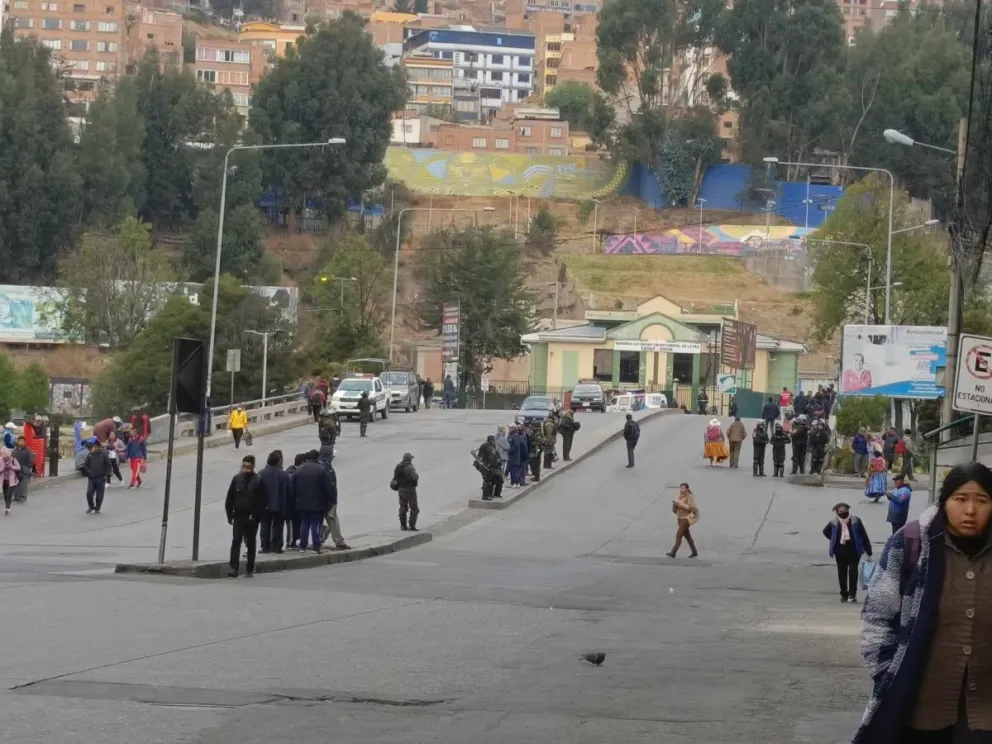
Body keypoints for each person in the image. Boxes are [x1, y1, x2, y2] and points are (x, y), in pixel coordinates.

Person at [854, 462, 992, 744]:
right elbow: (877, 616)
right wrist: (888, 675)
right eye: (960, 499)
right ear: (944, 502)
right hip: (919, 708)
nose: (970, 511)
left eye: (982, 501)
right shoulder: (911, 545)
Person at [225, 454, 266, 577]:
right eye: (244, 466)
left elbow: (262, 501)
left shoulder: (258, 480)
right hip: (238, 515)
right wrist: (229, 515)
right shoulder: (237, 479)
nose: (246, 468)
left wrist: (255, 515)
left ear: (253, 466)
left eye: (248, 466)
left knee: (250, 542)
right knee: (236, 541)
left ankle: (249, 568)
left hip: (251, 517)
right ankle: (234, 568)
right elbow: (230, 498)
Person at [822, 502, 872, 603]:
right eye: (840, 511)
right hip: (839, 551)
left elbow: (863, 534)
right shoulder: (833, 523)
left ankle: (852, 594)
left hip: (854, 550)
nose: (843, 513)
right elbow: (826, 532)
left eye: (844, 511)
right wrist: (834, 539)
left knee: (853, 571)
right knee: (842, 572)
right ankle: (844, 594)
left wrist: (868, 549)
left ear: (848, 510)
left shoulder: (855, 520)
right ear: (837, 512)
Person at [291, 450, 335, 553]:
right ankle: (316, 546)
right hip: (318, 503)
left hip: (301, 503)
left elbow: (292, 487)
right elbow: (328, 487)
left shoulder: (299, 470)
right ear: (317, 458)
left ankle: (302, 545)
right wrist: (332, 500)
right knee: (316, 524)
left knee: (304, 523)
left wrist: (295, 500)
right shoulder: (322, 470)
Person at [259, 450, 290, 554]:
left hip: (264, 505)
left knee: (265, 526)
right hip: (279, 505)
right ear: (278, 462)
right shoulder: (284, 474)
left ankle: (265, 547)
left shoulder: (261, 473)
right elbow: (288, 492)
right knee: (278, 526)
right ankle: (276, 547)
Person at [666, 482, 699, 558]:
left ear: (687, 489)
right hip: (679, 518)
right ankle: (694, 552)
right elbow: (675, 510)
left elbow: (690, 507)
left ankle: (673, 552)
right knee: (687, 536)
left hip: (686, 518)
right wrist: (674, 505)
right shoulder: (679, 497)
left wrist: (680, 504)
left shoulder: (689, 497)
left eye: (683, 488)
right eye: (681, 488)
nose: (682, 489)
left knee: (679, 535)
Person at [82, 441, 110, 514]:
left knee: (99, 494)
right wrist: (89, 472)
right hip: (92, 478)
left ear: (100, 447)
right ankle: (91, 506)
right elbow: (85, 465)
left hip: (100, 478)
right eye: (94, 447)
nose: (95, 448)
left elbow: (108, 465)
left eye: (97, 447)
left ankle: (97, 508)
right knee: (89, 493)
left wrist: (105, 473)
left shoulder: (104, 454)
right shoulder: (90, 454)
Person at [284, 452, 305, 550]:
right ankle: (290, 543)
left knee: (296, 523)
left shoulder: (291, 472)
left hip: (295, 504)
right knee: (291, 524)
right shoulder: (292, 473)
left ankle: (293, 541)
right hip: (290, 504)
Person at [393, 452, 419, 530]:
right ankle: (412, 525)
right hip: (410, 489)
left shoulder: (397, 467)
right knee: (414, 508)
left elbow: (395, 478)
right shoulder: (410, 467)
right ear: (409, 459)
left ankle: (403, 525)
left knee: (403, 507)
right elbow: (415, 477)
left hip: (401, 489)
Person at [476, 435, 503, 501]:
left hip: (491, 466)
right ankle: (486, 496)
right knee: (488, 481)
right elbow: (492, 458)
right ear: (491, 440)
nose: (494, 442)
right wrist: (498, 461)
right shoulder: (488, 447)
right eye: (494, 440)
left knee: (498, 479)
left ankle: (495, 494)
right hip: (487, 466)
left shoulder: (490, 446)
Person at [11, 435, 34, 504]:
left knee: (23, 484)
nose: (20, 442)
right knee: (15, 484)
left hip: (24, 470)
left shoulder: (28, 451)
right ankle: (16, 497)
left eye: (22, 441)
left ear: (24, 442)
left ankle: (23, 497)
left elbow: (31, 461)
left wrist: (26, 468)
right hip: (15, 469)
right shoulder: (15, 450)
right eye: (19, 440)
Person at [0, 447, 20, 516]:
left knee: (9, 494)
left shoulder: (13, 460)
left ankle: (7, 508)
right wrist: (3, 468)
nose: (6, 458)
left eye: (7, 457)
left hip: (12, 480)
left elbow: (18, 467)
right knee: (5, 494)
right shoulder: (1, 460)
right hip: (4, 480)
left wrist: (11, 467)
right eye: (4, 457)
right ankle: (7, 506)